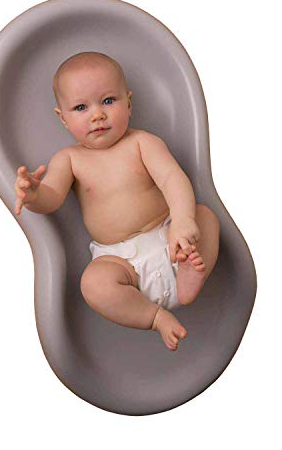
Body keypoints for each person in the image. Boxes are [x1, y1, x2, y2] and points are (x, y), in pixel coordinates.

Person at [14, 52, 220, 351]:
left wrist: (183, 221)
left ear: (128, 102)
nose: (97, 115)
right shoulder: (69, 159)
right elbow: (51, 198)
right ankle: (154, 317)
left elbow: (172, 179)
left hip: (171, 240)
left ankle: (190, 277)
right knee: (93, 283)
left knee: (206, 216)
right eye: (81, 107)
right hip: (121, 262)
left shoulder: (143, 143)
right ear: (62, 117)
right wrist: (34, 195)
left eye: (108, 101)